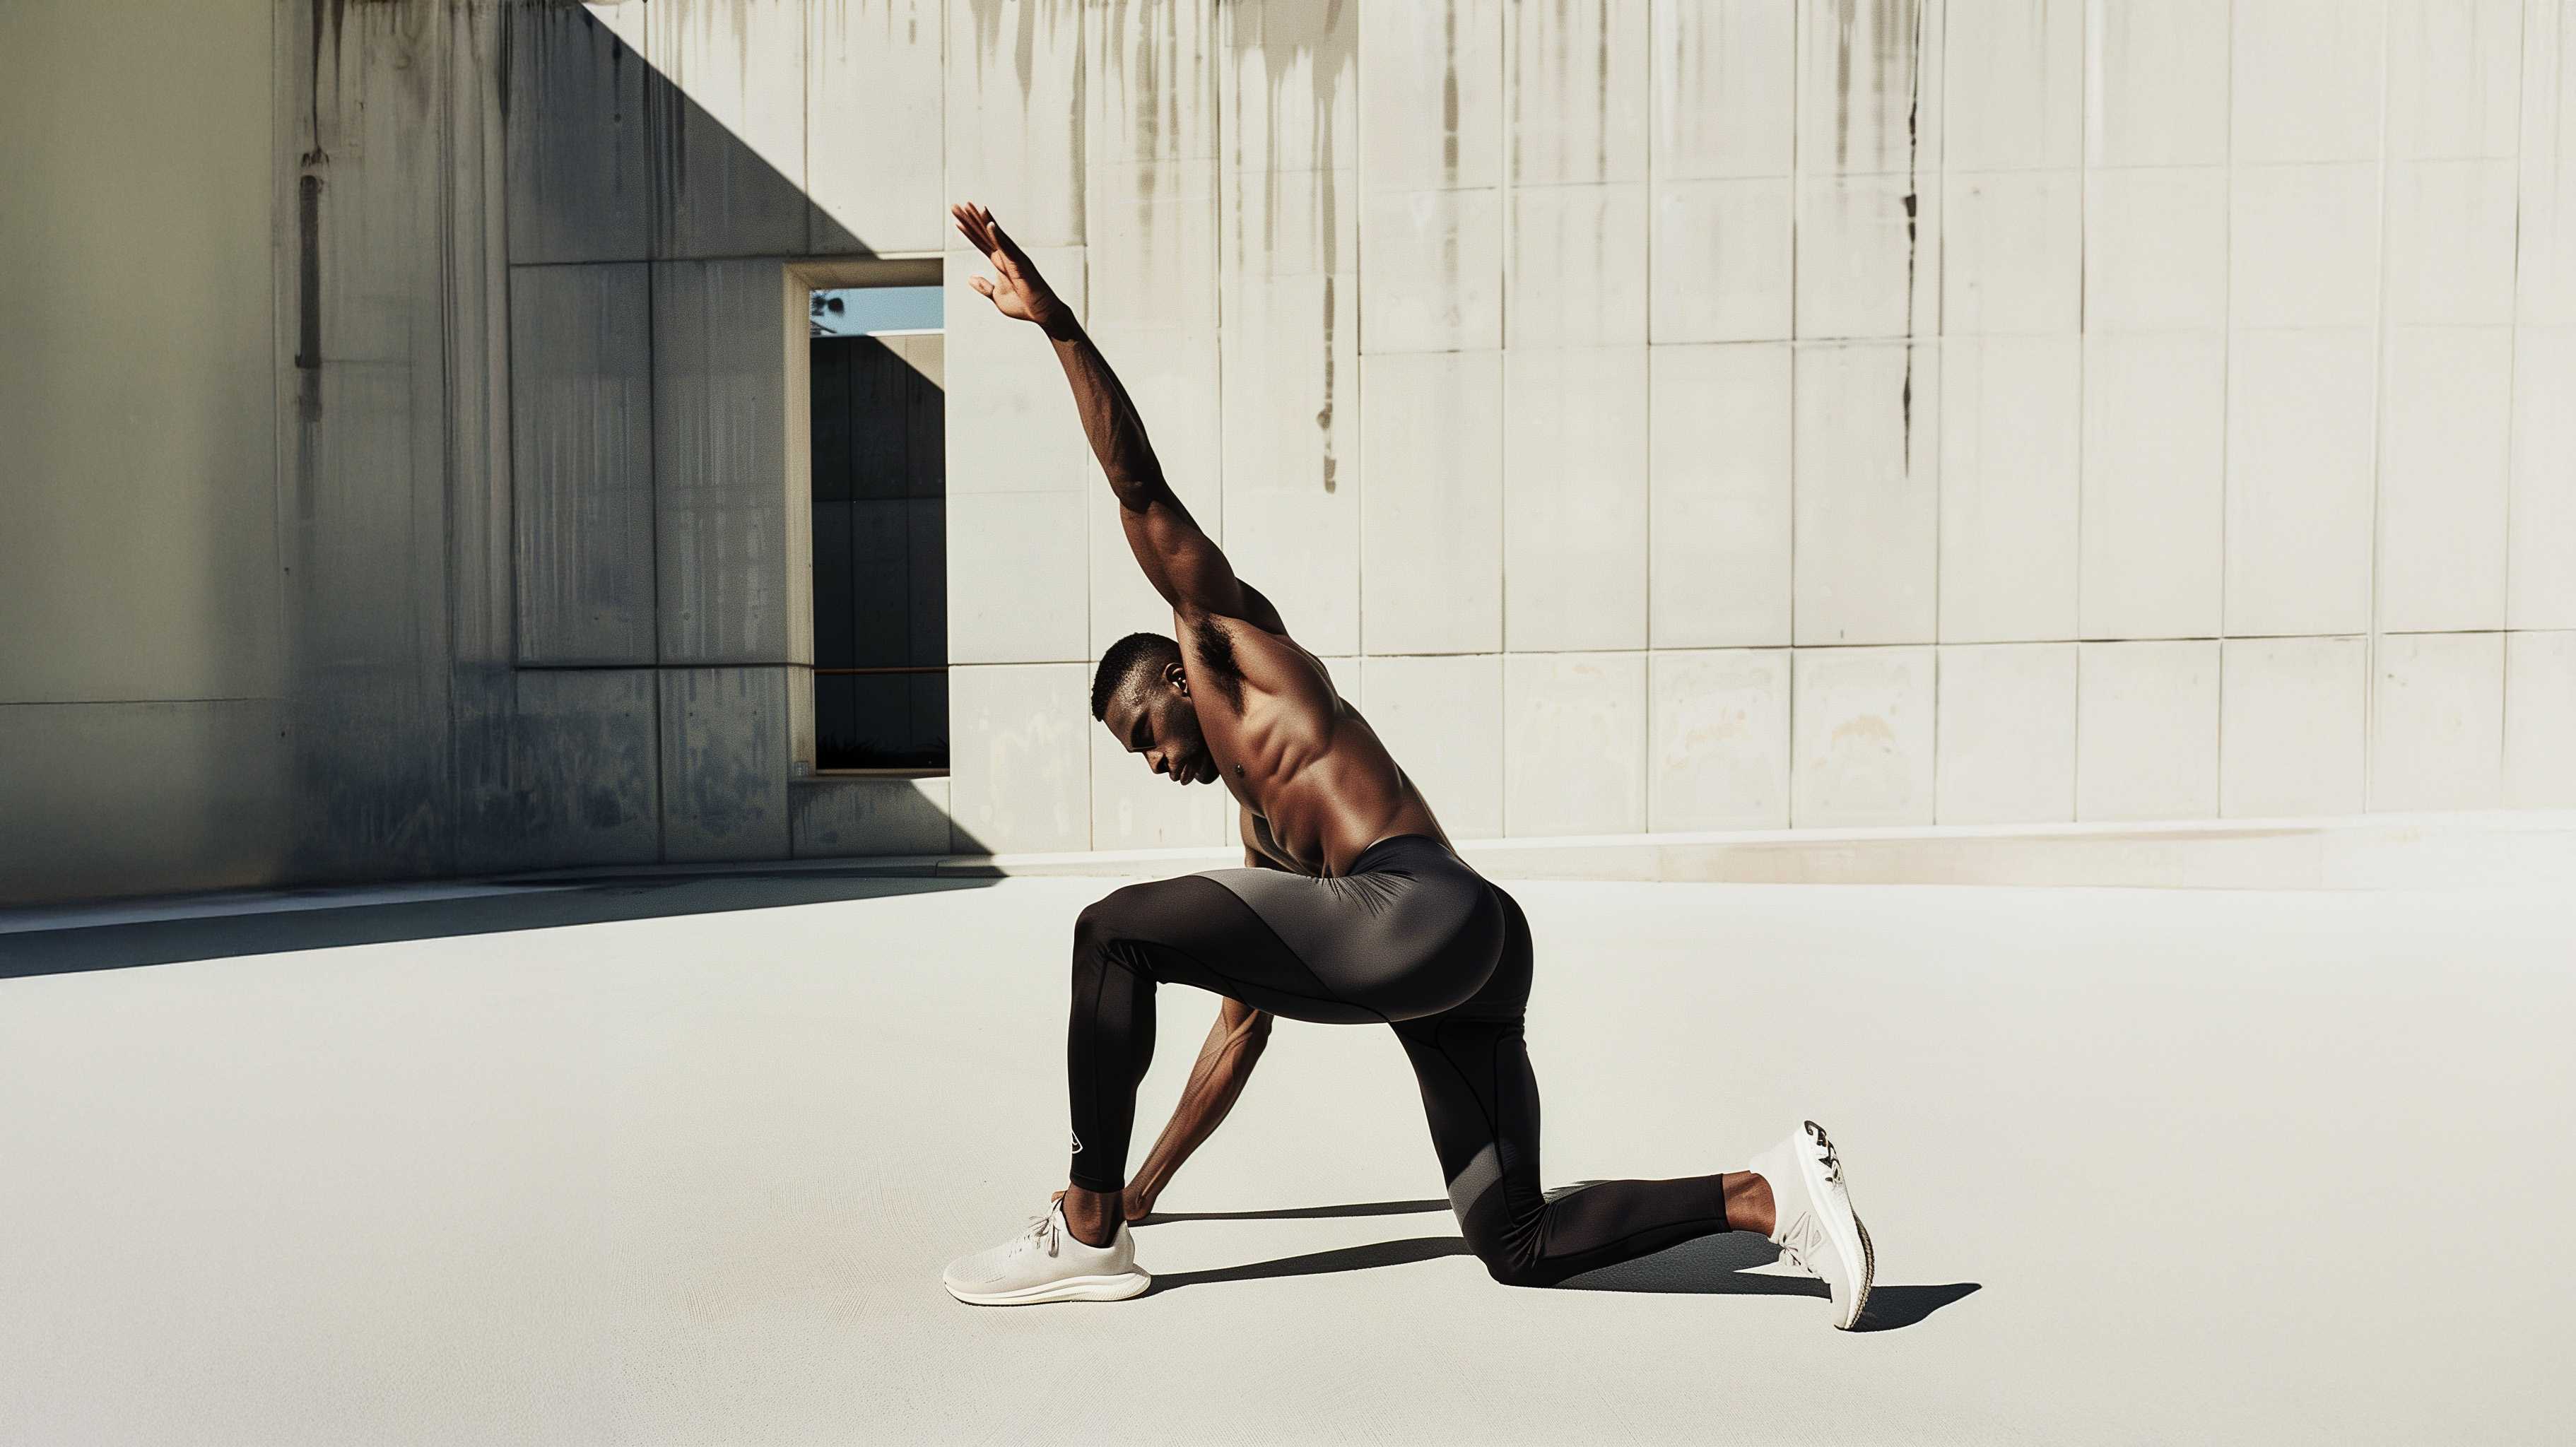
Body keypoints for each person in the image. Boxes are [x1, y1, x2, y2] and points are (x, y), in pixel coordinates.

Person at [937, 203, 1874, 1327]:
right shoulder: (1263, 830)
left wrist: (1060, 328)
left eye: (1146, 735)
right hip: (1473, 940)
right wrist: (1150, 1186)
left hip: (1413, 908)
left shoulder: (1224, 645)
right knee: (1515, 1240)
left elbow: (1139, 489)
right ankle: (1765, 1193)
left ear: (1179, 684)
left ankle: (1081, 1235)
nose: (1151, 762)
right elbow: (1239, 1029)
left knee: (1108, 930)